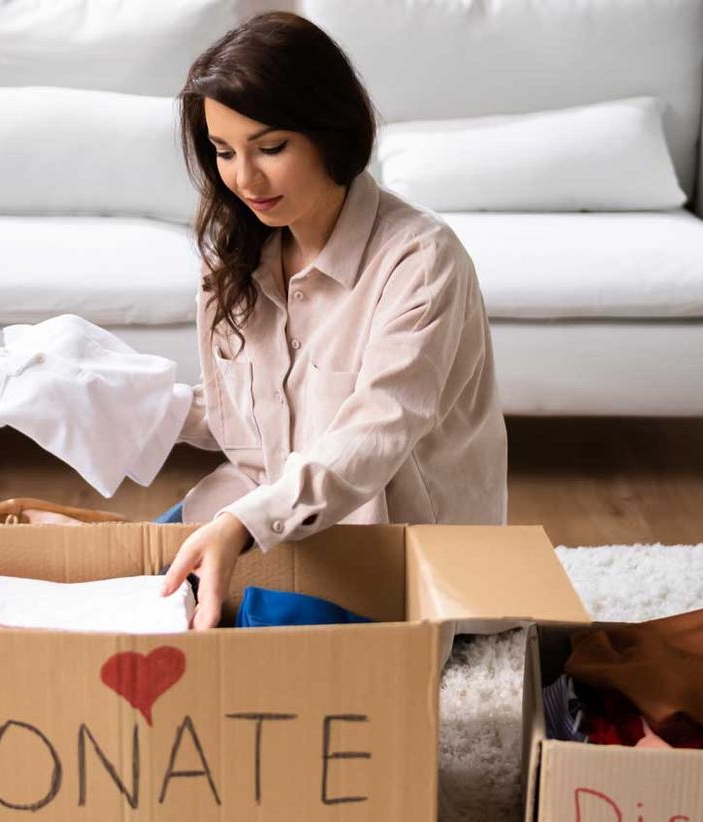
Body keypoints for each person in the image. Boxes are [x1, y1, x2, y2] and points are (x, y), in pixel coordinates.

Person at [158, 12, 507, 628]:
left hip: (389, 548)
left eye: (270, 148)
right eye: (223, 152)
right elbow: (249, 424)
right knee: (139, 576)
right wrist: (125, 403)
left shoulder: (421, 261)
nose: (244, 178)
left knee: (231, 625)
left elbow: (373, 437)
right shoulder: (241, 256)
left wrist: (242, 524)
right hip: (280, 512)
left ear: (331, 132)